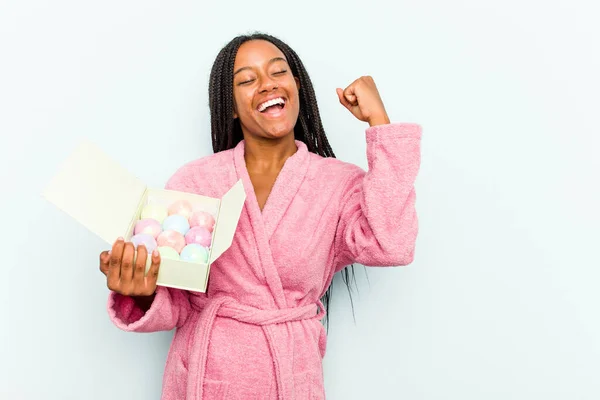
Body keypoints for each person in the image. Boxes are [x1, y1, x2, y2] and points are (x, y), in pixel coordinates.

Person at [98, 32, 421, 400]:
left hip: (291, 379)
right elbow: (178, 300)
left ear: (296, 86)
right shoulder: (196, 181)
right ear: (231, 105)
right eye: (247, 80)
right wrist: (140, 292)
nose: (267, 85)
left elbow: (391, 244)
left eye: (278, 72)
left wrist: (379, 123)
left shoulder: (337, 183)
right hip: (206, 377)